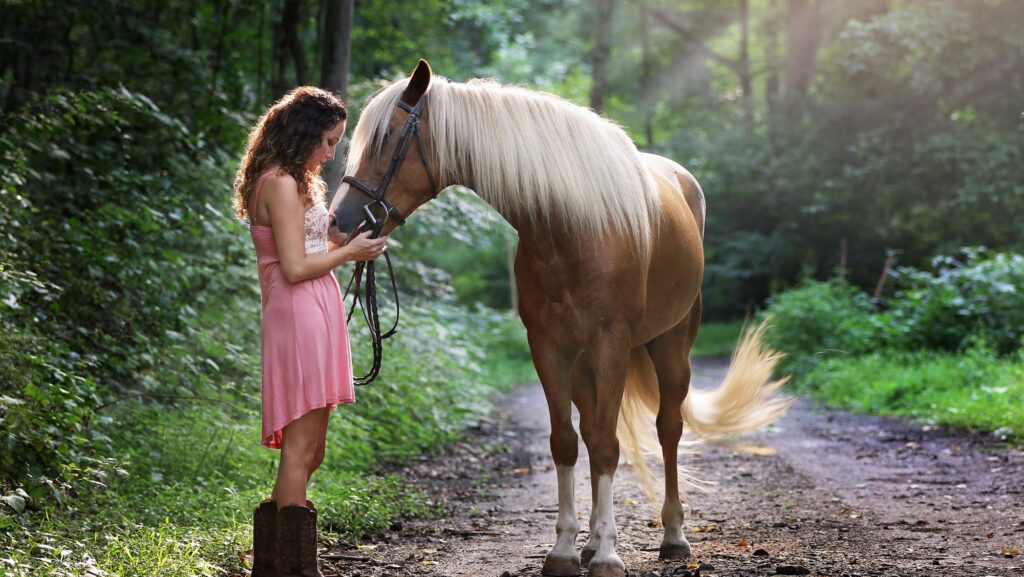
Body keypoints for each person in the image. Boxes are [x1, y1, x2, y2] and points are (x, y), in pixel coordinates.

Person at [232, 86, 387, 577]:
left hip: (317, 311)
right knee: (299, 449)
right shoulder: (276, 182)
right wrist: (349, 255)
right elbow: (296, 266)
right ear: (303, 137)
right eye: (328, 141)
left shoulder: (300, 181)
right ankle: (295, 568)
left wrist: (350, 239)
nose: (331, 153)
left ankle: (274, 560)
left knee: (313, 449)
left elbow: (315, 239)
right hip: (296, 312)